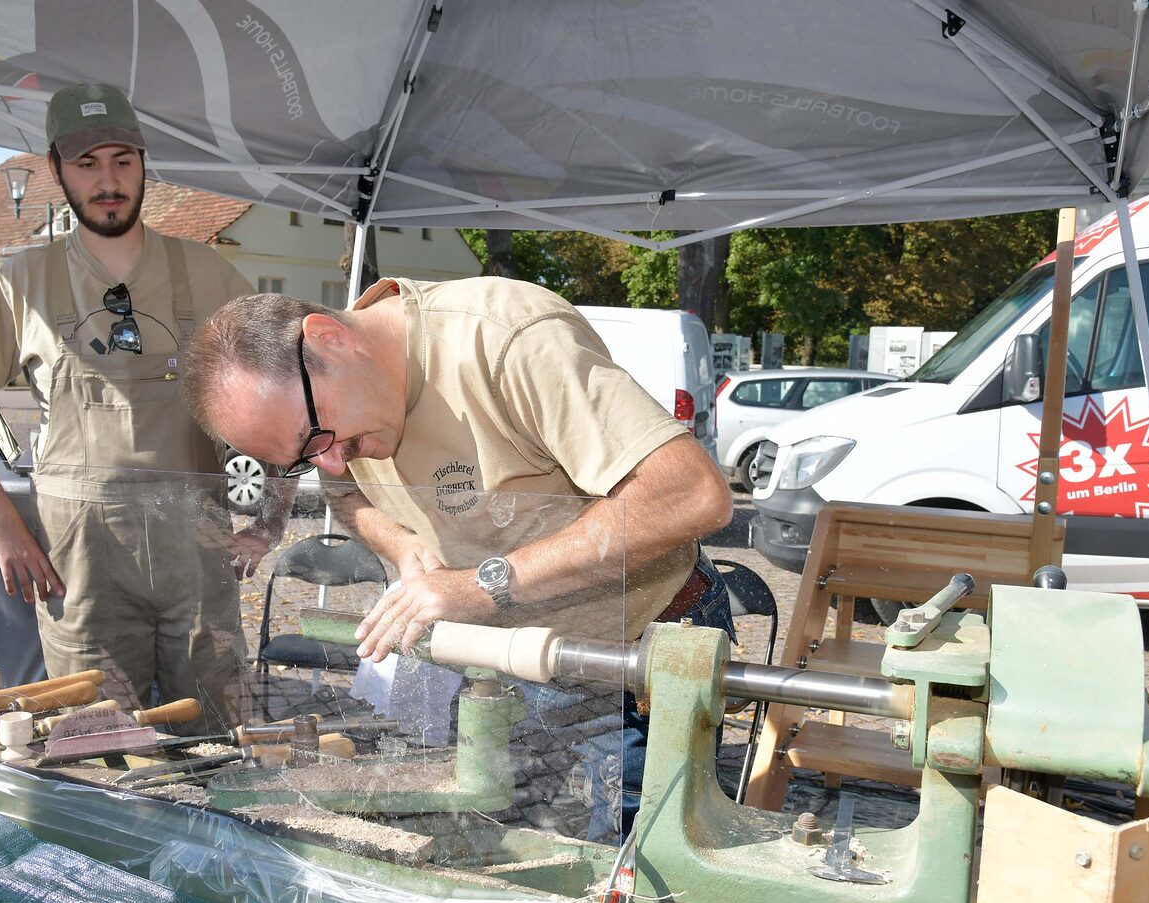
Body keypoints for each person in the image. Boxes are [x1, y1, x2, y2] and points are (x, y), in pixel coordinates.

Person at [180, 277, 736, 828]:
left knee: (625, 887)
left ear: (329, 338)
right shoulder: (340, 409)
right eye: (302, 459)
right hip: (501, 668)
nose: (327, 461)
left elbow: (690, 495)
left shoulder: (506, 338)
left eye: (315, 436)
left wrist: (483, 585)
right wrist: (402, 543)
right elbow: (345, 492)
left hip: (633, 658)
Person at [0, 83, 262, 735]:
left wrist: (271, 514)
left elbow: (287, 381)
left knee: (215, 736)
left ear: (143, 164)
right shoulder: (26, 281)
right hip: (82, 566)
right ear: (56, 171)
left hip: (197, 552)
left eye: (122, 161)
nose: (108, 181)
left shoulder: (208, 273)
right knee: (93, 738)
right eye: (87, 164)